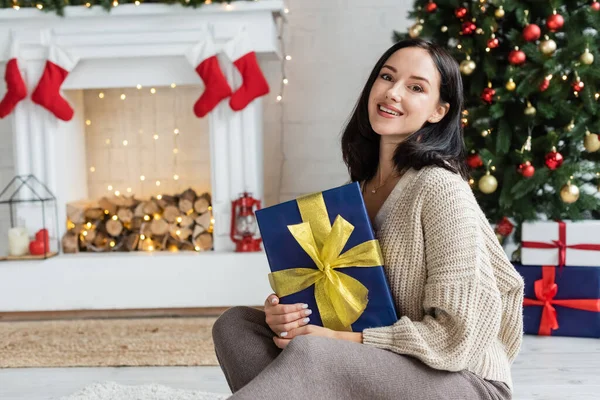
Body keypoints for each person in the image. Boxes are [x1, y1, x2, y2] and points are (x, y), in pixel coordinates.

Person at [212, 38, 525, 400]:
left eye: (415, 87)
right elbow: (345, 307)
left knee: (314, 353)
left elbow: (456, 336)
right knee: (236, 326)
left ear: (438, 111)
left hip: (462, 380)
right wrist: (289, 316)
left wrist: (339, 341)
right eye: (387, 77)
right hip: (379, 365)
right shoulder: (357, 192)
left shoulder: (440, 187)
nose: (393, 92)